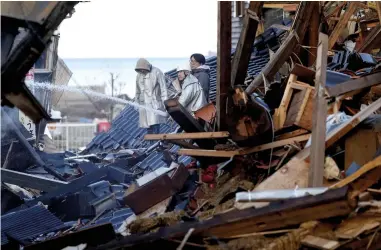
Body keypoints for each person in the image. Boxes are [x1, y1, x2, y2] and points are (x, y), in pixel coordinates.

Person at [135, 58, 168, 134]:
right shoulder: (138, 75)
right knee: (148, 128)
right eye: (140, 70)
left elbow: (164, 89)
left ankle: (156, 144)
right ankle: (151, 144)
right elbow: (137, 91)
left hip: (154, 104)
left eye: (143, 69)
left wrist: (165, 104)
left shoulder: (157, 72)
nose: (142, 71)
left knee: (155, 125)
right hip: (143, 105)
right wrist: (136, 102)